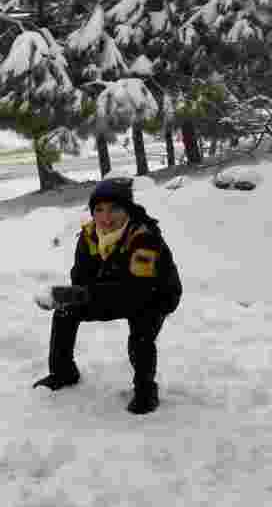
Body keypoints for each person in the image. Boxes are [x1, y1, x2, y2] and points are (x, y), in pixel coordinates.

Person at [33, 177, 183, 414]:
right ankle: (63, 373)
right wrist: (71, 296)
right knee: (66, 312)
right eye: (99, 209)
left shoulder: (144, 237)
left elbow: (136, 291)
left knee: (141, 332)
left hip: (156, 294)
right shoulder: (89, 236)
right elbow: (81, 281)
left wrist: (73, 293)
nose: (106, 217)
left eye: (115, 208)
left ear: (128, 209)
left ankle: (146, 391)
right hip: (115, 290)